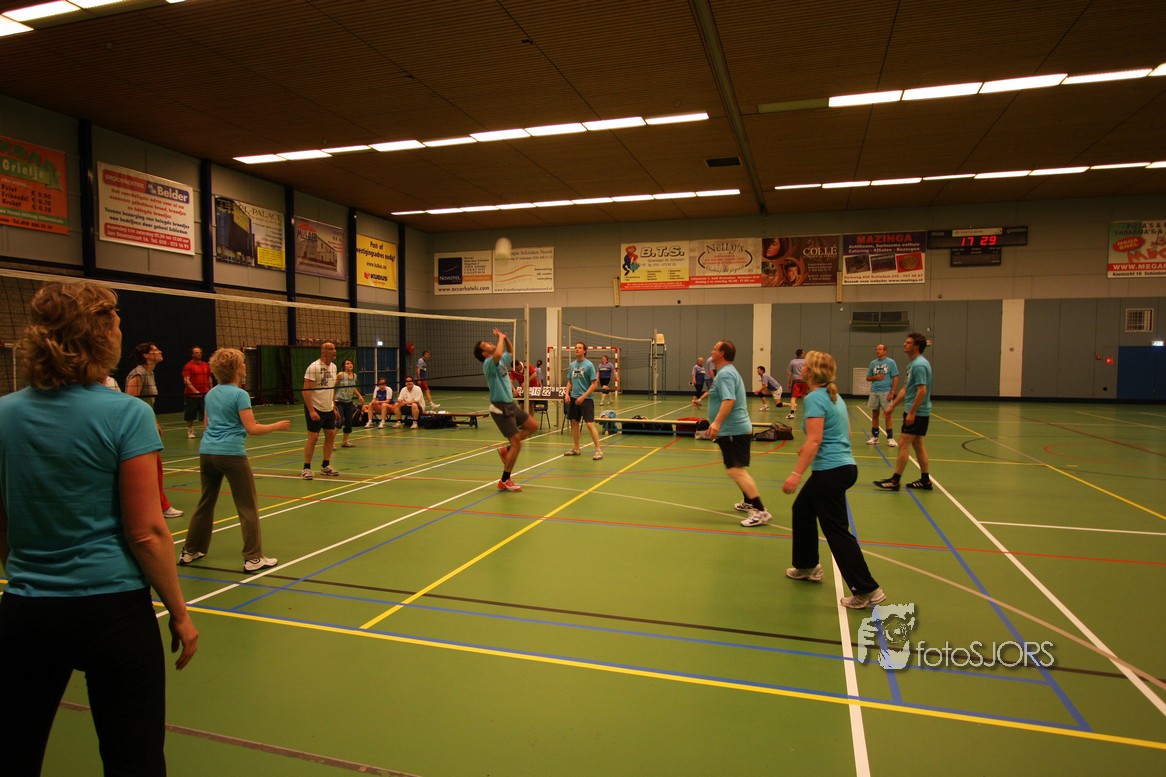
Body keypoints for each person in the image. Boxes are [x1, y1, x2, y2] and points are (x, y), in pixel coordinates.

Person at [0, 282, 198, 775]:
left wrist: (29, 573)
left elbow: (3, 520)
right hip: (114, 614)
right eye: (116, 322)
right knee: (135, 759)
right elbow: (146, 531)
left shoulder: (4, 414)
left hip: (26, 612)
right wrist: (179, 612)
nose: (121, 330)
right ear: (100, 333)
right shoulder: (127, 413)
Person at [781, 350, 886, 609]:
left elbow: (816, 439)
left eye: (806, 366)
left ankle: (867, 589)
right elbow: (844, 433)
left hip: (830, 472)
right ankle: (807, 566)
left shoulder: (815, 398)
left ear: (810, 372)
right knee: (802, 510)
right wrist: (811, 448)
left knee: (837, 532)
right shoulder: (833, 396)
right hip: (844, 467)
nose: (802, 368)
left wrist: (796, 474)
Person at [178, 348, 290, 574]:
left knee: (206, 502)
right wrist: (276, 426)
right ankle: (253, 557)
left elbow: (207, 425)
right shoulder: (240, 395)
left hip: (207, 453)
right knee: (247, 506)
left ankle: (190, 550)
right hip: (231, 454)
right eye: (242, 363)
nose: (245, 366)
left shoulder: (210, 394)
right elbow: (252, 428)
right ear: (236, 368)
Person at [706, 340, 770, 527]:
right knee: (736, 467)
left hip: (733, 430)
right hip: (733, 430)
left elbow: (729, 400)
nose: (712, 351)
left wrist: (716, 423)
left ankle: (760, 511)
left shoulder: (725, 374)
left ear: (722, 353)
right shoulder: (727, 372)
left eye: (715, 349)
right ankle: (749, 501)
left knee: (735, 469)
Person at [475, 328, 537, 491]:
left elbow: (510, 351)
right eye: (486, 344)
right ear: (484, 353)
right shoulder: (489, 363)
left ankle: (506, 449)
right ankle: (504, 480)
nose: (490, 343)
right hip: (499, 407)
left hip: (510, 404)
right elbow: (497, 354)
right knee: (517, 443)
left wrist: (506, 339)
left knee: (533, 426)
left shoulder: (501, 359)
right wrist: (501, 338)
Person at [126, 341, 183, 519]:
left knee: (154, 467)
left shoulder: (149, 372)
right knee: (152, 468)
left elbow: (147, 404)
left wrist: (154, 422)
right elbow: (130, 402)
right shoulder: (139, 373)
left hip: (147, 424)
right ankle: (161, 506)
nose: (159, 351)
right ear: (146, 355)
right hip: (138, 428)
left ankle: (156, 505)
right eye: (155, 350)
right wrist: (143, 425)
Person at [874, 333, 934, 491]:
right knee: (918, 445)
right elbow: (906, 388)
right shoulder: (912, 364)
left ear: (916, 346)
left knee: (902, 443)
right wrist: (892, 406)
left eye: (908, 343)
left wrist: (912, 412)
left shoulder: (919, 365)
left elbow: (922, 390)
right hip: (915, 411)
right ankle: (925, 480)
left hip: (918, 412)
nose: (904, 344)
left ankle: (895, 480)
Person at [301, 340, 340, 480]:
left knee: (331, 435)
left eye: (334, 348)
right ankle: (306, 468)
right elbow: (305, 391)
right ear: (323, 351)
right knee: (314, 437)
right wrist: (311, 411)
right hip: (315, 407)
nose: (334, 351)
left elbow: (331, 389)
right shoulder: (314, 367)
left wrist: (333, 406)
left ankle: (325, 465)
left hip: (328, 408)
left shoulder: (334, 367)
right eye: (330, 349)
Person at [564, 341, 603, 459]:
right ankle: (576, 448)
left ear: (584, 351)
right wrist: (567, 393)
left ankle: (598, 450)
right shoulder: (572, 365)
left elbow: (594, 384)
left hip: (586, 399)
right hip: (574, 398)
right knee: (574, 423)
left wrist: (583, 396)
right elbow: (570, 381)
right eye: (576, 348)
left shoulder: (589, 365)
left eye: (580, 348)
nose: (577, 349)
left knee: (590, 424)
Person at [865, 343, 900, 447]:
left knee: (887, 415)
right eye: (876, 349)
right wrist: (875, 378)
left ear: (885, 351)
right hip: (874, 391)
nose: (877, 351)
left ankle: (890, 438)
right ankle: (875, 437)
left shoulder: (891, 362)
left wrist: (892, 392)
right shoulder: (873, 363)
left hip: (886, 391)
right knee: (875, 414)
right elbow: (868, 378)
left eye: (880, 349)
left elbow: (895, 377)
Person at [181, 345, 213, 439]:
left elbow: (209, 378)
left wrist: (211, 390)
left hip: (204, 394)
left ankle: (208, 430)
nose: (199, 354)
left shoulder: (206, 365)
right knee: (190, 414)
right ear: (192, 354)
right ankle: (190, 430)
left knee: (207, 413)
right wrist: (194, 391)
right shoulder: (188, 366)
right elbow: (186, 380)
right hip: (191, 395)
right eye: (196, 353)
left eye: (200, 352)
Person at [334, 357, 364, 447]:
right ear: (344, 366)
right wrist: (332, 399)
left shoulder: (354, 375)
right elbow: (333, 387)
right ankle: (331, 442)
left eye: (351, 363)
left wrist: (359, 395)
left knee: (349, 422)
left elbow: (352, 387)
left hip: (348, 402)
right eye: (347, 363)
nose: (350, 365)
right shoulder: (341, 375)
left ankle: (344, 442)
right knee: (340, 421)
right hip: (339, 401)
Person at [785, 348, 808, 420]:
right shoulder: (806, 361)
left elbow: (789, 373)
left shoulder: (792, 362)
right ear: (802, 354)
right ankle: (808, 412)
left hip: (796, 381)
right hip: (804, 381)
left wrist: (789, 383)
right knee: (804, 396)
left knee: (793, 397)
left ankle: (792, 413)